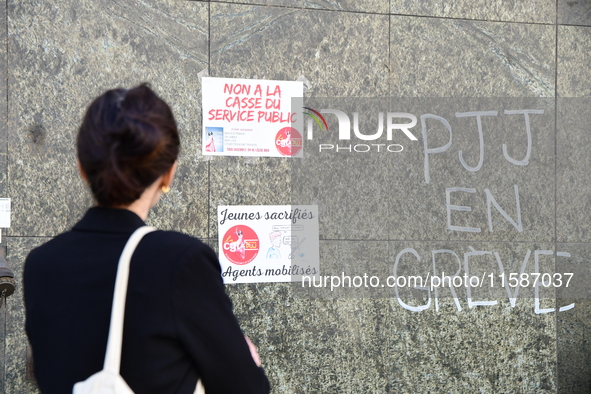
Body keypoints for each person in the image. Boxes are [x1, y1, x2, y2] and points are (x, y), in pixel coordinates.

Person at [23, 84, 270, 394]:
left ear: (82, 168)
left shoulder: (40, 265)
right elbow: (246, 388)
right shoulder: (181, 262)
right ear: (168, 174)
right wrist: (249, 359)